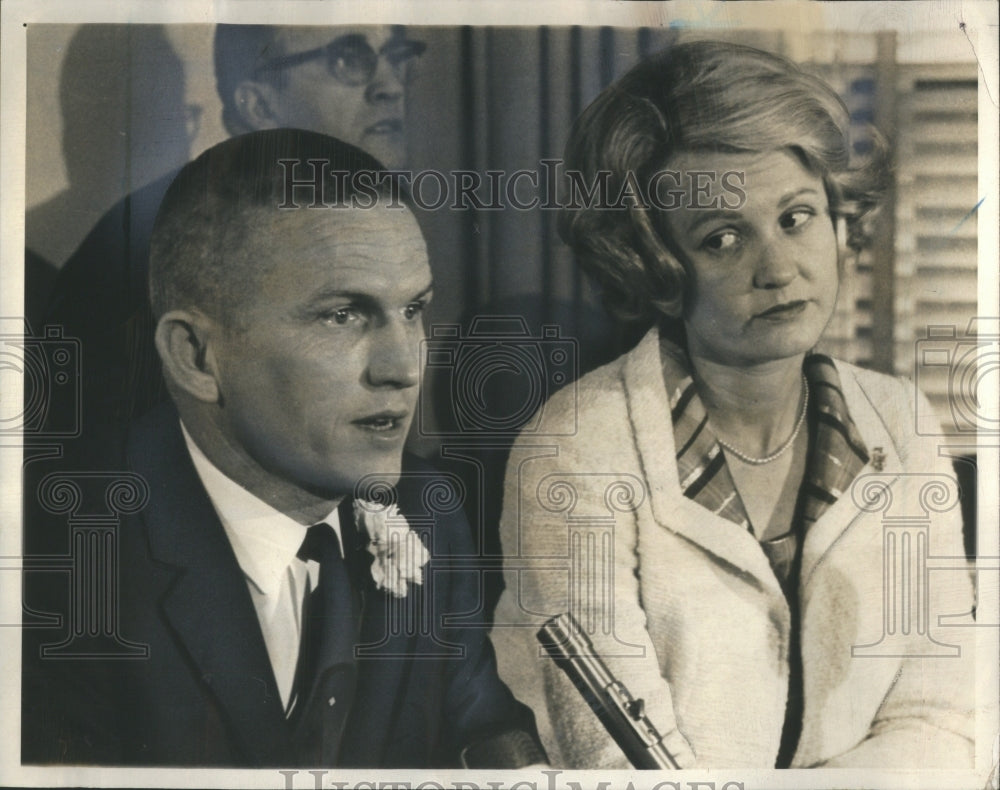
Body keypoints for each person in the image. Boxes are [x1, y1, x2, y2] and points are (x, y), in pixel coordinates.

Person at [490, 40, 975, 769]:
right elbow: (617, 761)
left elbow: (947, 721)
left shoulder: (901, 422)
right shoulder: (575, 447)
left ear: (838, 218)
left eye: (796, 217)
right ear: (654, 267)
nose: (778, 268)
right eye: (722, 239)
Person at [22, 128, 546, 768]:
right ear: (196, 356)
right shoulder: (59, 564)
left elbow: (484, 730)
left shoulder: (428, 511)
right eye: (341, 315)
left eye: (413, 311)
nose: (403, 369)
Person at [40, 24, 424, 434]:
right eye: (349, 58)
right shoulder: (152, 246)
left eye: (396, 56)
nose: (390, 86)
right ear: (259, 105)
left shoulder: (375, 228)